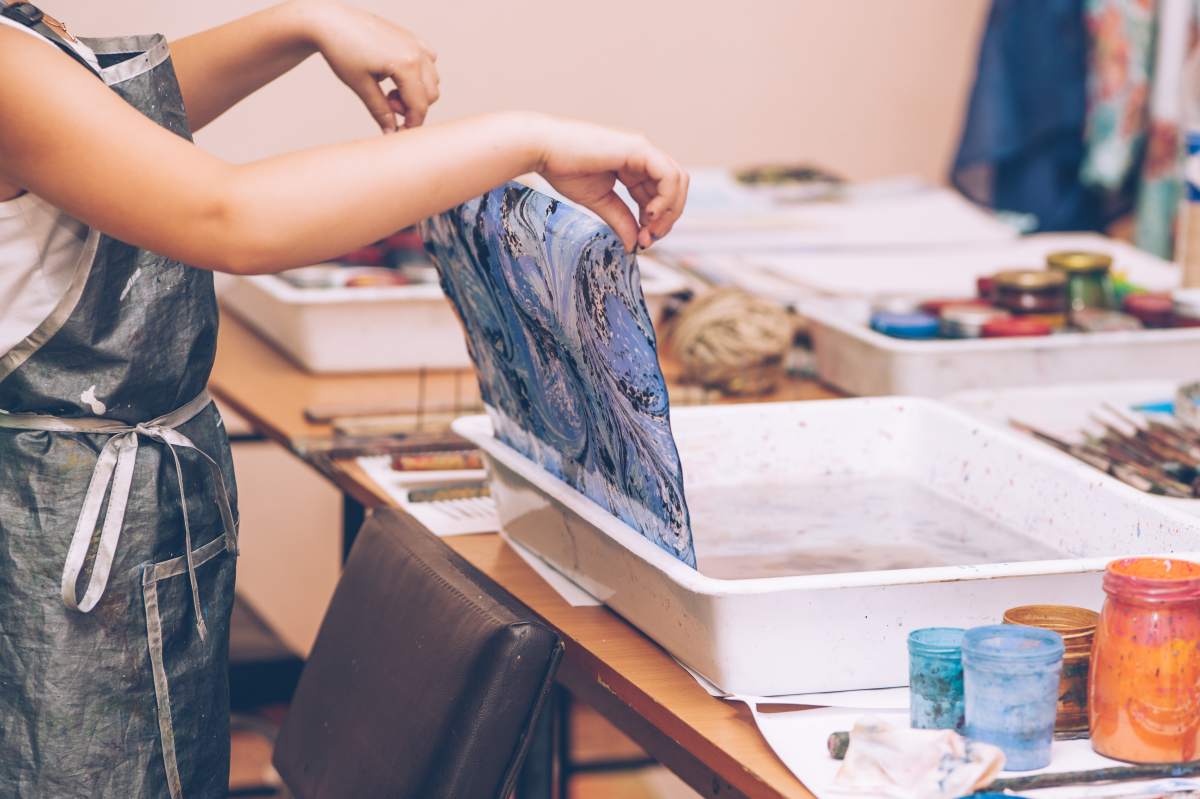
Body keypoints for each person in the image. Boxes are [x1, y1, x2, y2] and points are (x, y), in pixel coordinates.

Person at [0, 2, 689, 797]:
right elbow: (233, 215)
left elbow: (96, 120)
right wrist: (524, 140)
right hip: (57, 558)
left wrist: (294, 25)